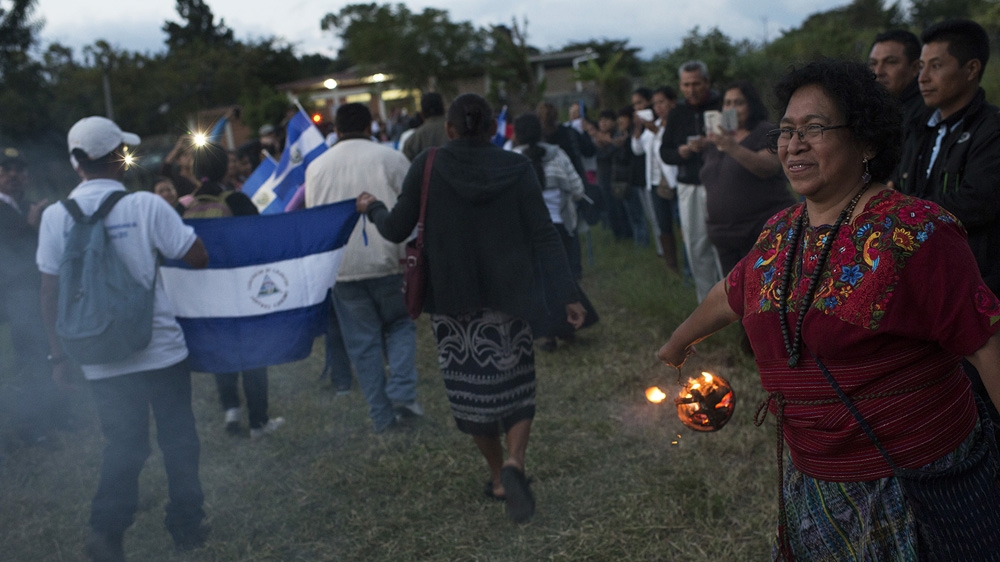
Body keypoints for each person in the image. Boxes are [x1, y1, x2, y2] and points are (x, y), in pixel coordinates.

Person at [657, 60, 1000, 560]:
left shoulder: (915, 232)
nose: (794, 145)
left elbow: (987, 344)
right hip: (815, 484)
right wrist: (676, 344)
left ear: (867, 142)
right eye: (786, 131)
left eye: (814, 128)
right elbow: (731, 292)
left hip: (915, 486)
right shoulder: (781, 230)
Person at [356, 94, 586, 523]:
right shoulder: (516, 166)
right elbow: (544, 233)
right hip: (510, 297)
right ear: (494, 129)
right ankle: (516, 462)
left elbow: (397, 228)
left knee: (472, 395)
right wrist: (568, 294)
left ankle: (498, 477)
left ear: (450, 129)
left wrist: (373, 209)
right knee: (518, 387)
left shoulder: (428, 164)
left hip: (453, 303)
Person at [37, 116, 210, 561]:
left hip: (98, 355)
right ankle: (187, 527)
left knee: (124, 445)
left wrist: (59, 356)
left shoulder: (55, 217)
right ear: (119, 158)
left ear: (76, 163)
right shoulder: (146, 206)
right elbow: (197, 256)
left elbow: (49, 292)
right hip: (160, 349)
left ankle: (107, 531)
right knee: (179, 440)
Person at [893, 19, 1000, 426]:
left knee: (983, 404)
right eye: (921, 66)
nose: (922, 77)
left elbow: (978, 201)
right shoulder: (919, 128)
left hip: (980, 286)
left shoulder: (992, 129)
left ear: (971, 69)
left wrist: (904, 212)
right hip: (926, 288)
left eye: (936, 66)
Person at [305, 102, 423, 433]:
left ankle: (382, 418)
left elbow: (316, 218)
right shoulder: (392, 158)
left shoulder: (317, 168)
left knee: (363, 344)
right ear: (370, 125)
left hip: (343, 267)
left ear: (337, 130)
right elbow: (411, 209)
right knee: (401, 325)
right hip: (390, 260)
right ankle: (402, 391)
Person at [188, 143, 285, 439]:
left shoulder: (184, 207)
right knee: (252, 354)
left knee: (222, 351)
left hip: (205, 294)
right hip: (241, 290)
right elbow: (259, 240)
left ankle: (231, 410)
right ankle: (258, 422)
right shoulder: (237, 201)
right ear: (224, 169)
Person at [512, 113, 598, 352]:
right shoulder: (558, 154)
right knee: (563, 277)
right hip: (561, 227)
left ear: (516, 134)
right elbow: (577, 188)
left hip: (529, 233)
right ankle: (569, 326)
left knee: (539, 283)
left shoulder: (512, 158)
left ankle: (548, 334)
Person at [0, 149, 67, 446]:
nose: (13, 175)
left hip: (38, 291)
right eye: (6, 170)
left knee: (50, 351)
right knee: (30, 358)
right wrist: (28, 225)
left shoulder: (29, 206)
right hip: (13, 296)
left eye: (19, 170)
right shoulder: (18, 212)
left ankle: (57, 413)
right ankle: (32, 426)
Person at [701, 81, 794, 273]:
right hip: (724, 236)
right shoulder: (717, 137)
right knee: (734, 290)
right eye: (727, 103)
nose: (731, 108)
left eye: (738, 103)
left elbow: (769, 166)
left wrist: (732, 147)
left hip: (759, 232)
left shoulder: (764, 131)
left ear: (751, 104)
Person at [659, 60, 724, 302]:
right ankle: (707, 304)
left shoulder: (721, 105)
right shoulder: (677, 113)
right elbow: (665, 151)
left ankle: (733, 302)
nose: (691, 90)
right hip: (689, 185)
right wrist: (681, 152)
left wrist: (712, 143)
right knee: (696, 245)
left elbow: (738, 138)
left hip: (720, 184)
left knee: (723, 243)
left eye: (696, 83)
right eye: (686, 85)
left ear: (706, 82)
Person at [632, 86, 681, 271]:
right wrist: (638, 128)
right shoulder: (655, 124)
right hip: (654, 182)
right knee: (663, 224)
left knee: (681, 224)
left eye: (661, 102)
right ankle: (672, 266)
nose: (658, 107)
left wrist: (655, 131)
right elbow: (637, 149)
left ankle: (688, 266)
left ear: (672, 103)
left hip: (673, 181)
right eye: (655, 104)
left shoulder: (676, 123)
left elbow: (667, 146)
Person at [868, 29, 924, 128]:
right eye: (873, 63)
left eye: (890, 62)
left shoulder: (925, 115)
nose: (878, 72)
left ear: (915, 68)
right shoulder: (871, 110)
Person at [402, 92, 448, 161]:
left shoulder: (413, 140)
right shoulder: (456, 130)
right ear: (444, 109)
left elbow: (405, 163)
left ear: (422, 113)